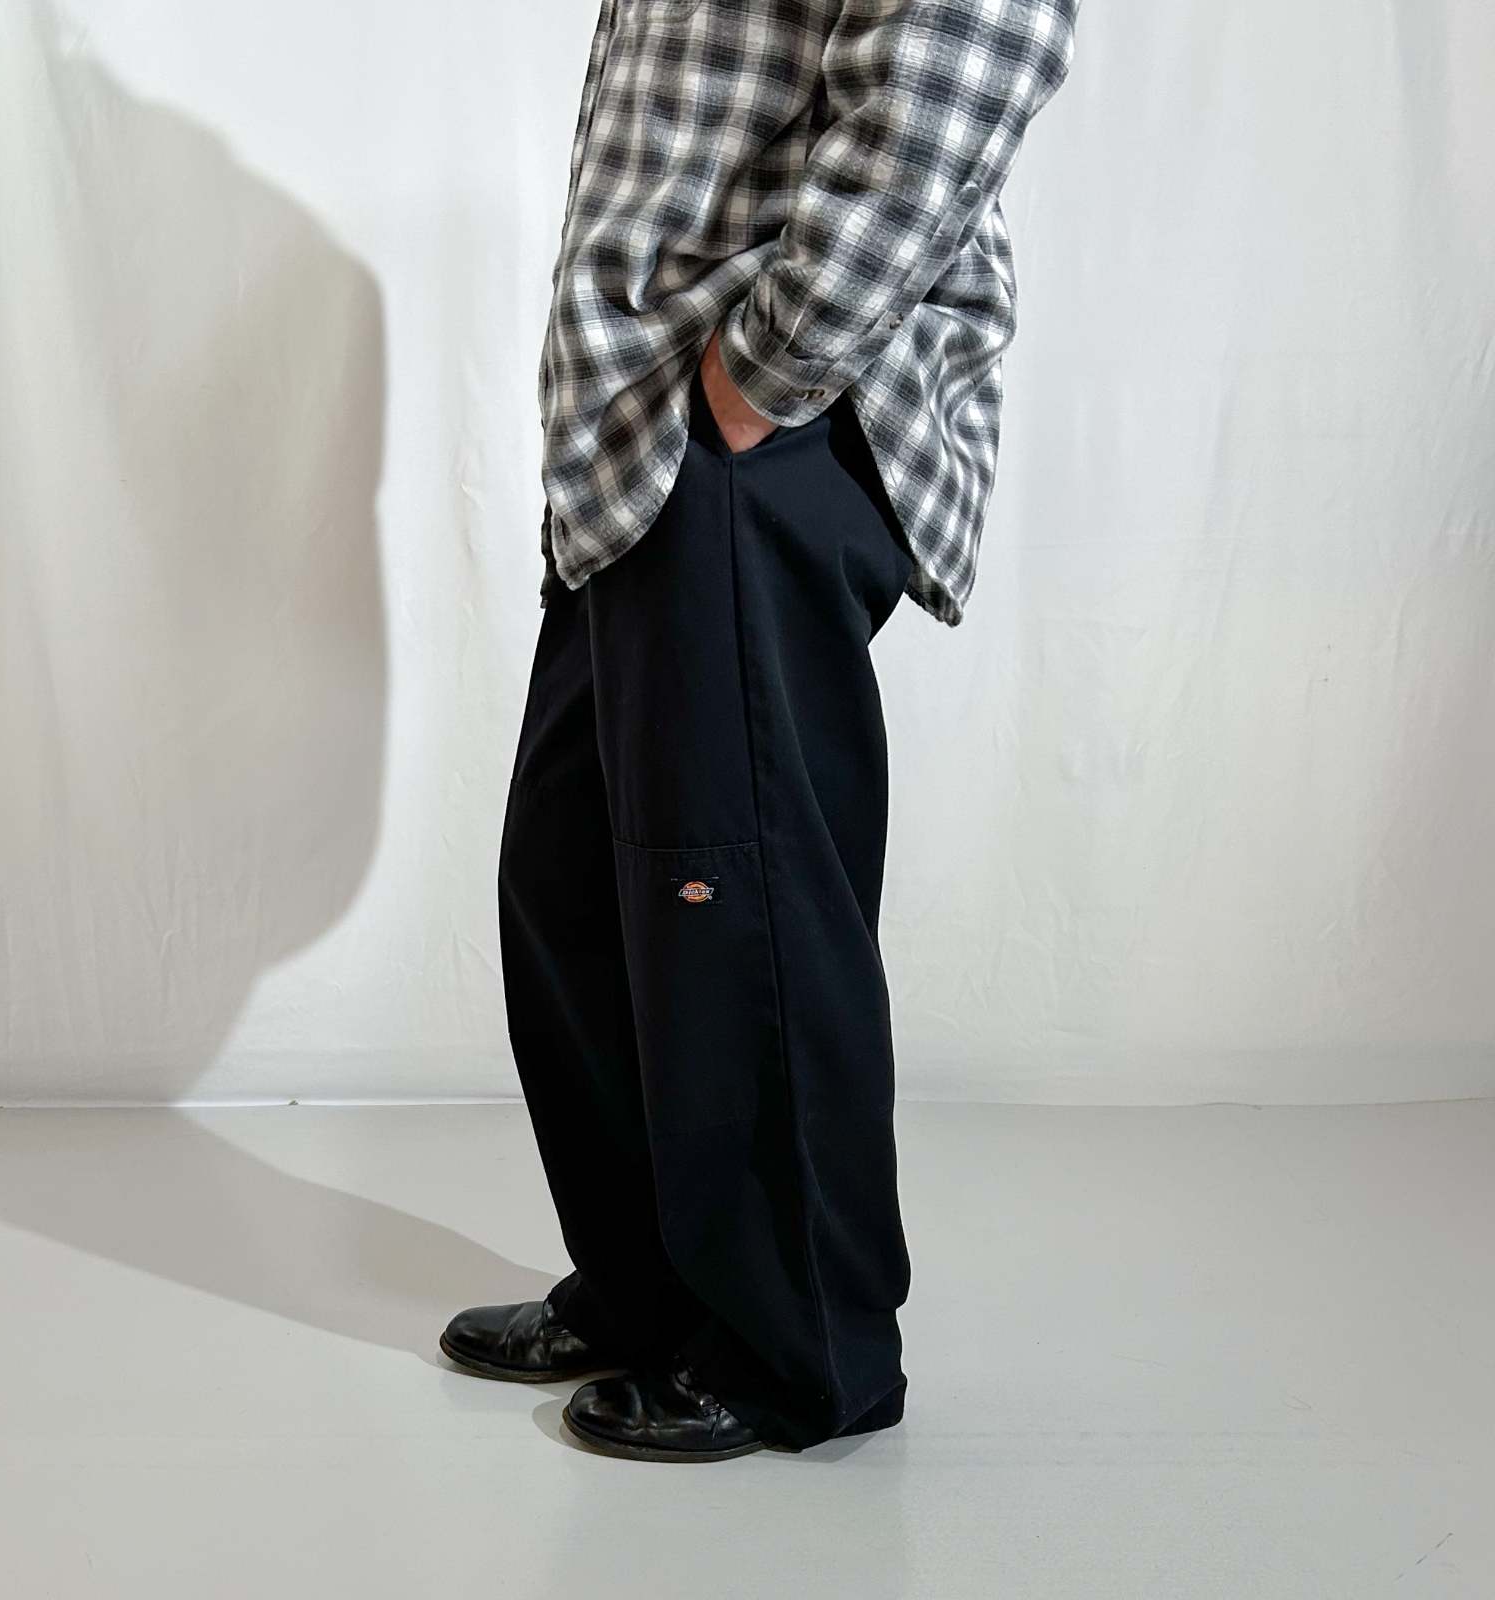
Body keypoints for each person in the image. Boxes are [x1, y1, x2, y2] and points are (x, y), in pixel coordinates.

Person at [441, 0, 1080, 1462]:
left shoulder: (757, 397)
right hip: (642, 426)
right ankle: (657, 1292)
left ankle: (800, 1351)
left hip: (759, 423)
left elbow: (972, 49)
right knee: (574, 883)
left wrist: (765, 373)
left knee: (741, 904)